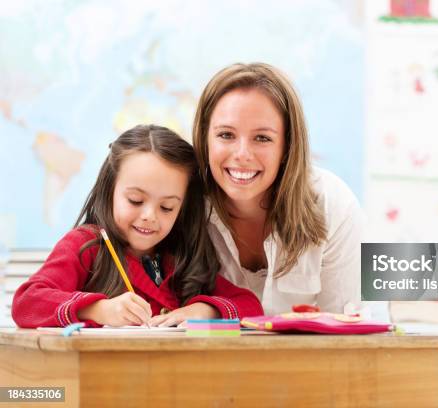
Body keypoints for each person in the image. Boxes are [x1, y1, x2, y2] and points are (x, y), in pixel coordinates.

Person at [12, 125, 263, 328]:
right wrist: (98, 309)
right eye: (135, 200)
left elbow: (250, 305)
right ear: (110, 190)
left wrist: (206, 311)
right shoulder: (85, 246)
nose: (149, 216)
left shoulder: (181, 258)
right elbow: (26, 302)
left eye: (167, 208)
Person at [192, 63, 363, 315]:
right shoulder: (179, 203)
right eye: (226, 135)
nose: (242, 155)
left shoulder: (333, 204)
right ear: (205, 138)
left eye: (262, 138)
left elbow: (343, 329)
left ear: (287, 146)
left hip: (306, 355)